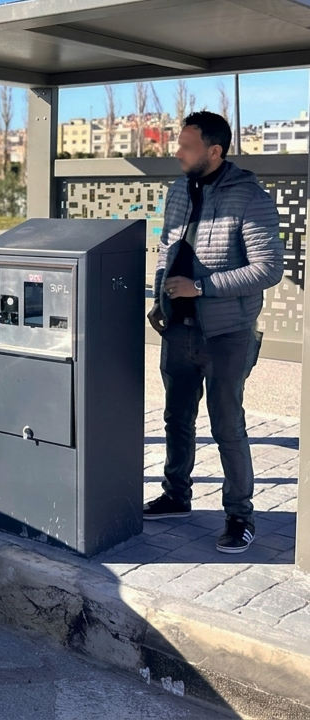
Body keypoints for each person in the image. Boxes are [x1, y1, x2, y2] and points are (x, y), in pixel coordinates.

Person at [144, 111, 283, 553]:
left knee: (227, 426)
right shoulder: (178, 189)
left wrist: (201, 287)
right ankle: (176, 495)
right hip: (179, 329)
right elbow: (167, 247)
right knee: (176, 418)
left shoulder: (250, 197)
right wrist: (161, 298)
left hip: (227, 334)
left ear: (215, 151)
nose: (178, 153)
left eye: (187, 146)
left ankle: (240, 516)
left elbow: (268, 269)